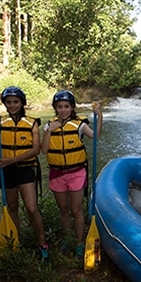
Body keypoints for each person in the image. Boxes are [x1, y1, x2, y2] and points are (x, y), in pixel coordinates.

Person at [0, 87, 49, 264]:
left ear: (22, 103)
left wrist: (11, 160)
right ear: (5, 104)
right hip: (7, 171)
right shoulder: (2, 121)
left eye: (16, 102)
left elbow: (35, 150)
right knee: (12, 207)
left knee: (31, 208)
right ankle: (16, 241)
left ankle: (42, 244)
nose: (12, 105)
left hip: (25, 169)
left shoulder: (32, 123)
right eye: (9, 102)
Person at [41, 90, 102, 260]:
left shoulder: (80, 125)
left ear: (72, 107)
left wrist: (100, 116)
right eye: (59, 107)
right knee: (63, 209)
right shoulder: (49, 126)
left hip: (76, 173)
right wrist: (48, 131)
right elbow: (44, 150)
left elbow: (95, 136)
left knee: (75, 209)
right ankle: (68, 238)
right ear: (55, 108)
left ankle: (79, 242)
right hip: (57, 173)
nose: (63, 110)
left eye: (66, 106)